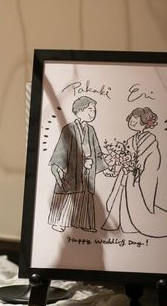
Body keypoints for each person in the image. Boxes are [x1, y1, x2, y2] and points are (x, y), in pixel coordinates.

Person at [102, 107, 167, 237]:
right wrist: (116, 165)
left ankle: (131, 225)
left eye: (135, 121)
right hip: (127, 174)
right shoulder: (131, 139)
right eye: (131, 120)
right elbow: (125, 155)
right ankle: (122, 223)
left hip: (137, 175)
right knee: (121, 197)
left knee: (134, 200)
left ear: (144, 122)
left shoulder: (150, 139)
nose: (132, 122)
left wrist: (136, 165)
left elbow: (151, 158)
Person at [48, 96, 107, 233]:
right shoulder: (68, 128)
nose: (93, 113)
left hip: (87, 169)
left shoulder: (91, 130)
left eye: (94, 110)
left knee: (85, 194)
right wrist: (58, 166)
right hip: (72, 169)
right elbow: (61, 150)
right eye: (90, 109)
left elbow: (97, 150)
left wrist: (104, 167)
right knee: (69, 193)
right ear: (80, 110)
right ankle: (59, 222)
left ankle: (84, 223)